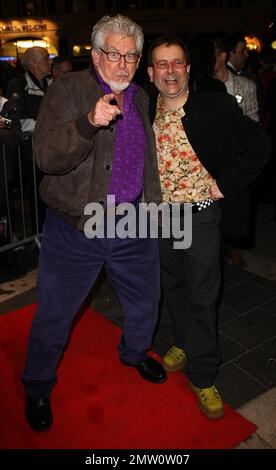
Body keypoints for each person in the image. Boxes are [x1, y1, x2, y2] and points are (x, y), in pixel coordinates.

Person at [21, 15, 166, 433]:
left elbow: (147, 161)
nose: (123, 64)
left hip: (132, 222)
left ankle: (136, 353)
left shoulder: (140, 96)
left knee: (144, 302)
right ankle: (37, 386)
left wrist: (152, 210)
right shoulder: (68, 89)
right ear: (96, 53)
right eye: (113, 54)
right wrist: (88, 123)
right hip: (76, 227)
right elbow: (46, 158)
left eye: (131, 56)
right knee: (55, 313)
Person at [147, 35, 270, 419]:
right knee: (174, 285)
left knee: (202, 295)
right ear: (151, 73)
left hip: (200, 218)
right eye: (162, 64)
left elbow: (261, 144)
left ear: (188, 68)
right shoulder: (142, 109)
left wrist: (226, 184)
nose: (170, 71)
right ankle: (182, 339)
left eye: (177, 63)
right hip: (162, 219)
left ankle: (203, 375)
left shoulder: (212, 105)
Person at [6, 47, 53, 233]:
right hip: (28, 154)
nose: (50, 61)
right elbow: (15, 122)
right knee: (35, 196)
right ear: (33, 63)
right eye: (45, 58)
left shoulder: (51, 84)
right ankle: (37, 234)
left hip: (50, 150)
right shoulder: (17, 85)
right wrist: (46, 127)